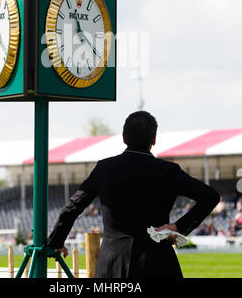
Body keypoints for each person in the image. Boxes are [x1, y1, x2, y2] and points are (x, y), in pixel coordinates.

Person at [47, 111, 220, 278]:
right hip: (157, 261)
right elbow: (210, 196)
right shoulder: (168, 171)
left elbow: (71, 208)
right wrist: (179, 226)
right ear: (154, 139)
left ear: (123, 137)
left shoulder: (104, 168)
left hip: (112, 261)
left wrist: (56, 242)